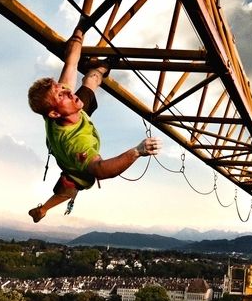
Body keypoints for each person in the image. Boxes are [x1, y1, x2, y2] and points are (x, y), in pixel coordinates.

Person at [27, 28, 161, 222]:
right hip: (72, 162)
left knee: (92, 78)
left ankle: (104, 67)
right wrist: (137, 151)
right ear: (54, 112)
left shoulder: (63, 106)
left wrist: (80, 32)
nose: (68, 92)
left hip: (72, 118)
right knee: (69, 186)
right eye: (61, 94)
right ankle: (44, 209)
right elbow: (101, 170)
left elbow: (71, 64)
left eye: (61, 89)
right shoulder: (76, 145)